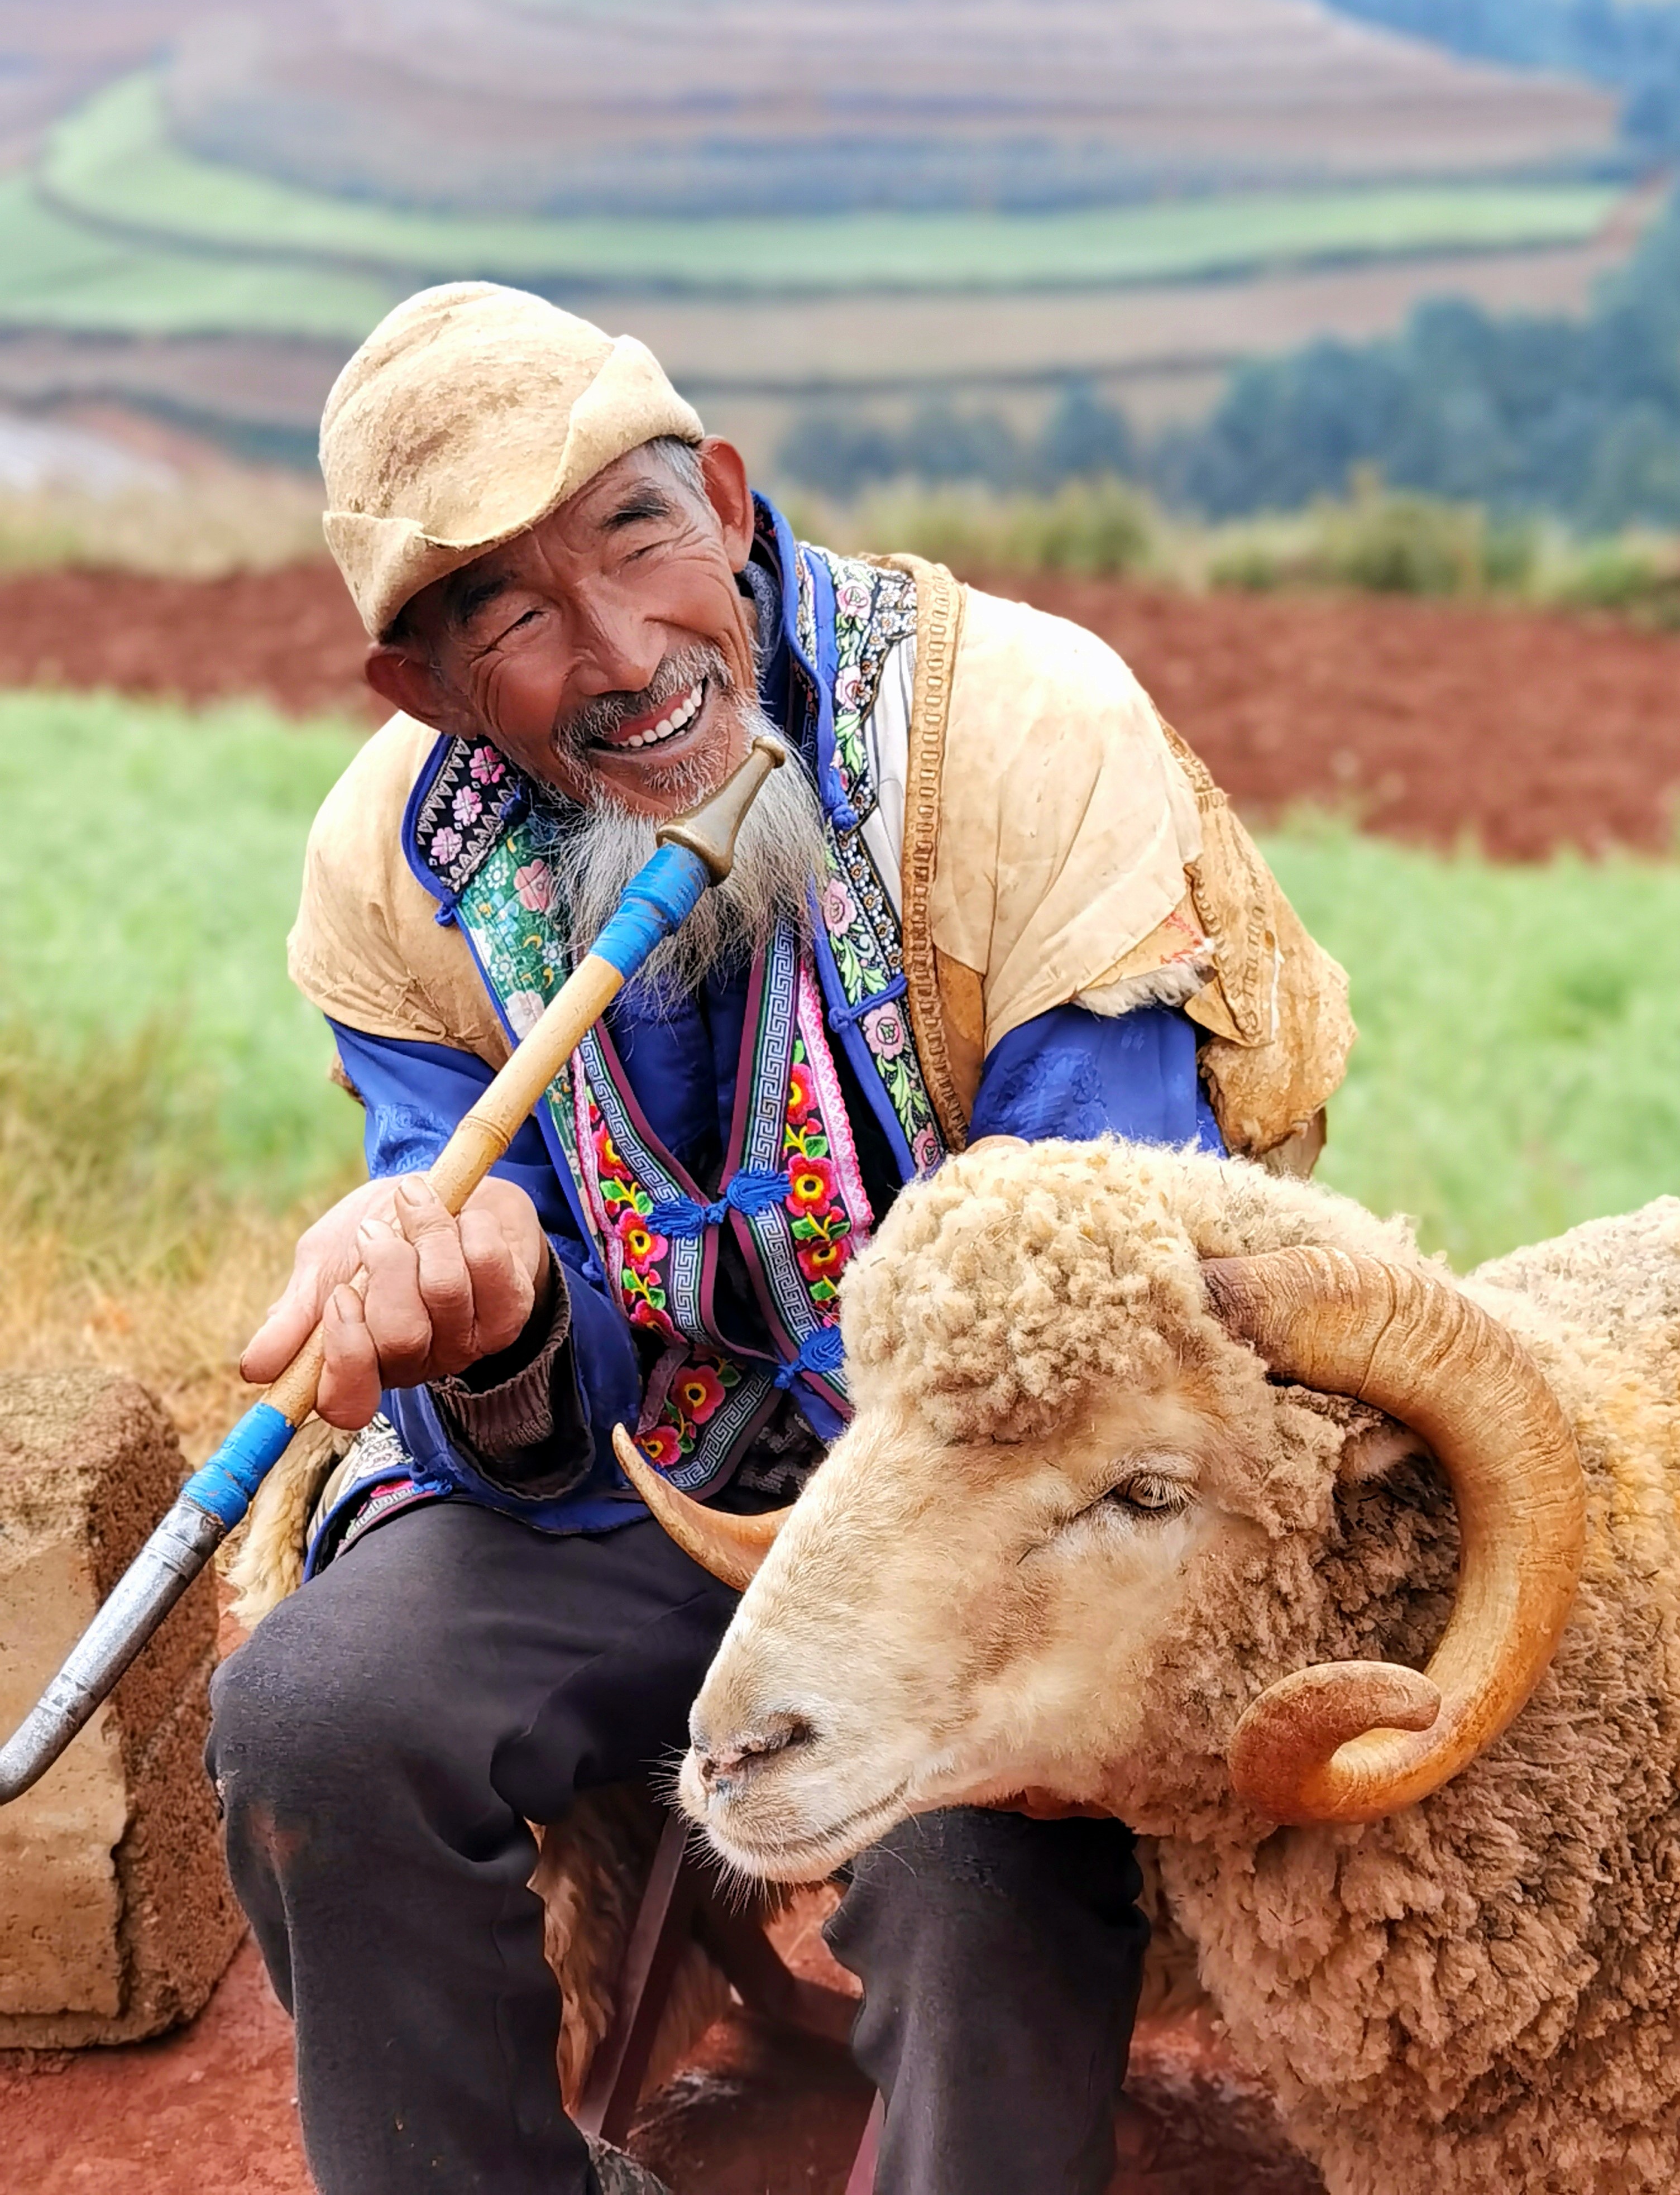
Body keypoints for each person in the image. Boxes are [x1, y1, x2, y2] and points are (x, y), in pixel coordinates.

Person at [208, 282, 1353, 2195]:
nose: (625, 651)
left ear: (730, 501)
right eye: (509, 615)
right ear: (427, 690)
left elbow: (1113, 1289)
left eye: (642, 536)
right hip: (624, 1496)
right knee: (322, 1723)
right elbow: (501, 1327)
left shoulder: (1017, 734)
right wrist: (486, 1321)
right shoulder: (389, 868)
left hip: (989, 1522)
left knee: (988, 1871)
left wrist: (896, 1574)